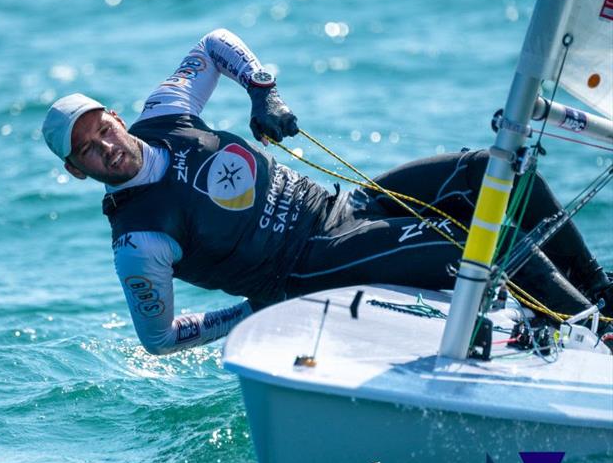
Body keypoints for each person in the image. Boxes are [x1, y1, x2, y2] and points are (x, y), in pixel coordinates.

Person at [42, 29, 611, 355]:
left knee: (491, 172)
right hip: (310, 266)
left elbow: (214, 43)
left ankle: (598, 296)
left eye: (103, 128)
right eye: (89, 149)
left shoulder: (166, 111)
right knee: (474, 247)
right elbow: (159, 338)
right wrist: (245, 312)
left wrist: (263, 92)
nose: (107, 146)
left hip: (345, 206)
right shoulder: (139, 241)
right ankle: (598, 334)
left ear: (116, 115)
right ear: (77, 171)